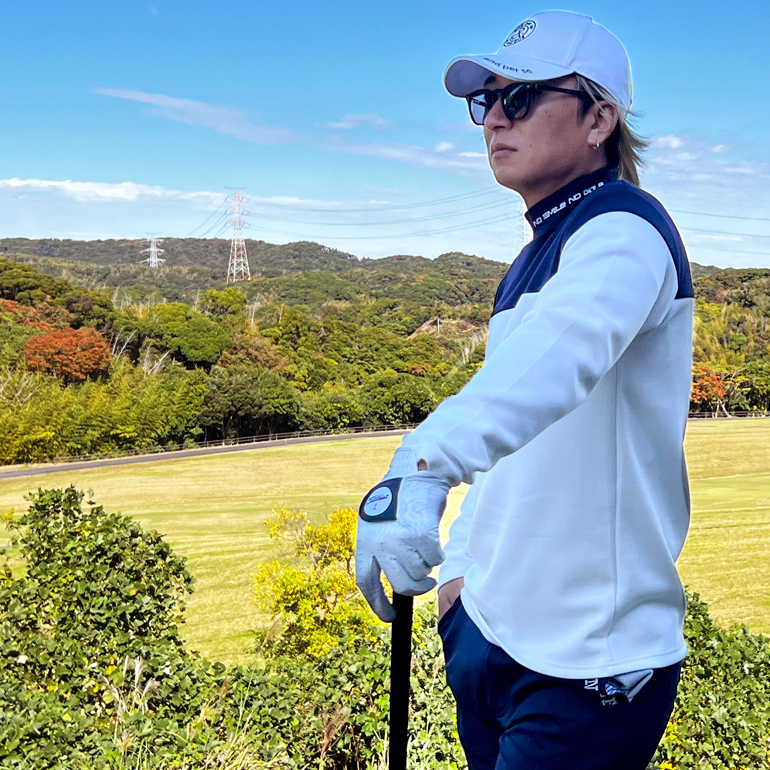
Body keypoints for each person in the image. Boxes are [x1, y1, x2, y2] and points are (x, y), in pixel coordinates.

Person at [355, 10, 693, 770]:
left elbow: (558, 358)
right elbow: (515, 420)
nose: (493, 120)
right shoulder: (536, 254)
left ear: (599, 118)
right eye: (486, 101)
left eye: (520, 98)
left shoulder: (625, 229)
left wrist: (422, 465)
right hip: (491, 634)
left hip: (589, 665)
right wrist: (462, 583)